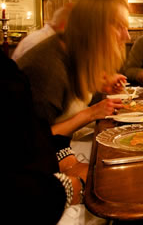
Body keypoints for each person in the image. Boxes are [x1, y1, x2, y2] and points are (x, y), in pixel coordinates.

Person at [17, 0, 129, 138]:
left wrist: (100, 85)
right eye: (118, 26)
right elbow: (32, 141)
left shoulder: (75, 52)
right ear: (94, 27)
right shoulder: (48, 68)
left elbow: (74, 99)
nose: (127, 37)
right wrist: (91, 114)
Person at [3, 50, 85, 224]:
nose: (127, 35)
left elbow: (29, 128)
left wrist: (63, 154)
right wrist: (68, 188)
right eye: (118, 27)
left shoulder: (68, 54)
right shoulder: (48, 61)